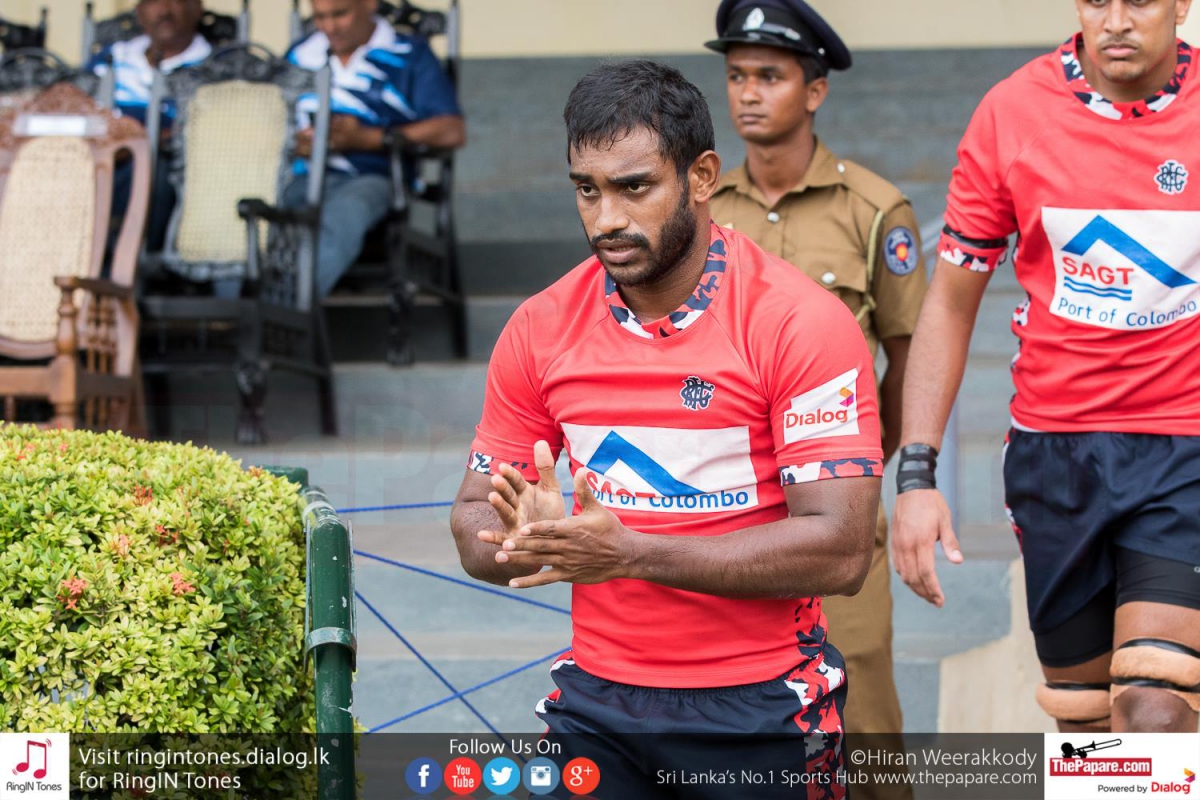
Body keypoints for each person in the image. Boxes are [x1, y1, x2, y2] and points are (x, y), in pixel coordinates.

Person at [450, 59, 881, 798]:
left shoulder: (799, 322)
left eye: (634, 187)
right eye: (587, 190)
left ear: (702, 177)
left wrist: (631, 553)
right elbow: (469, 523)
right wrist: (524, 533)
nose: (606, 219)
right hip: (596, 702)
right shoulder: (540, 327)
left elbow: (841, 551)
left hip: (761, 704)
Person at [892, 0, 1200, 734]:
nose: (1116, 19)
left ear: (1183, 4)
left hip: (1183, 445)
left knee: (1155, 706)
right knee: (1083, 719)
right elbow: (951, 303)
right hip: (1054, 457)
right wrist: (916, 476)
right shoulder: (1012, 112)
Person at [707, 0, 927, 747]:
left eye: (769, 76)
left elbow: (909, 353)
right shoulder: (703, 214)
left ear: (815, 90)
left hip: (838, 513)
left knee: (863, 728)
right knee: (732, 727)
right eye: (738, 75)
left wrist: (863, 464)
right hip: (726, 510)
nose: (748, 93)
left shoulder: (873, 210)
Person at [286, 0, 465, 298]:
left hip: (375, 177)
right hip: (301, 177)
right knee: (262, 214)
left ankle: (290, 309)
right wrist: (296, 142)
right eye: (319, 17)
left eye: (340, 14)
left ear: (369, 4)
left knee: (343, 213)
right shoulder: (300, 54)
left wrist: (369, 138)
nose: (329, 27)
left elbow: (451, 130)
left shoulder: (408, 53)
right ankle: (251, 306)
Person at [88, 0, 211, 252]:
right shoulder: (113, 57)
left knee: (154, 168)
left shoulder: (214, 67)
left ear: (197, 8)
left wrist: (143, 139)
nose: (164, 10)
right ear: (139, 11)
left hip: (165, 168)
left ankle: (127, 261)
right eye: (153, 1)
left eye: (175, 0)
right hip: (102, 157)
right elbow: (76, 105)